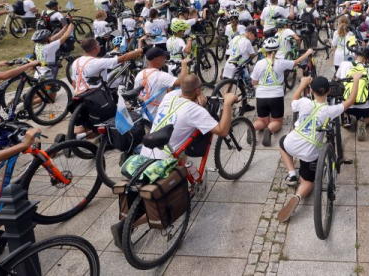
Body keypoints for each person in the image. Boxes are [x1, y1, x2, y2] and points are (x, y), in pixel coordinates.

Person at [110, 78, 237, 245]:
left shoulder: (170, 97)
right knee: (168, 201)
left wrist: (199, 96)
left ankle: (193, 179)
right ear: (198, 90)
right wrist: (227, 103)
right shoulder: (194, 111)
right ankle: (127, 225)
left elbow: (182, 87)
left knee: (180, 153)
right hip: (164, 160)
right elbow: (222, 130)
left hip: (148, 151)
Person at [277, 74, 362, 222]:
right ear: (329, 91)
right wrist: (355, 80)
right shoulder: (329, 110)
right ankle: (298, 196)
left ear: (311, 91)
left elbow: (293, 102)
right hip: (310, 152)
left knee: (282, 144)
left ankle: (291, 173)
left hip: (292, 142)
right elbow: (351, 101)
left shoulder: (304, 103)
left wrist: (303, 84)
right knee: (308, 182)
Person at [251, 37, 314, 146]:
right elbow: (296, 62)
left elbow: (254, 82)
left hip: (261, 96)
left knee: (262, 121)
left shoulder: (259, 63)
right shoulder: (281, 63)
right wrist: (308, 52)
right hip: (276, 96)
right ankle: (269, 130)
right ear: (277, 50)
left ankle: (252, 128)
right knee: (277, 122)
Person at [336, 46, 369, 141]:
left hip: (347, 105)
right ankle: (362, 122)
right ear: (368, 59)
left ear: (356, 55)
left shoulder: (344, 64)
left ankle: (345, 117)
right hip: (363, 107)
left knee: (343, 104)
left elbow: (338, 81)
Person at [134, 47, 184, 119]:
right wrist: (184, 64)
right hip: (157, 116)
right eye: (163, 57)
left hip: (143, 115)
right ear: (156, 60)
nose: (165, 58)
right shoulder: (160, 76)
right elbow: (182, 82)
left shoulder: (139, 74)